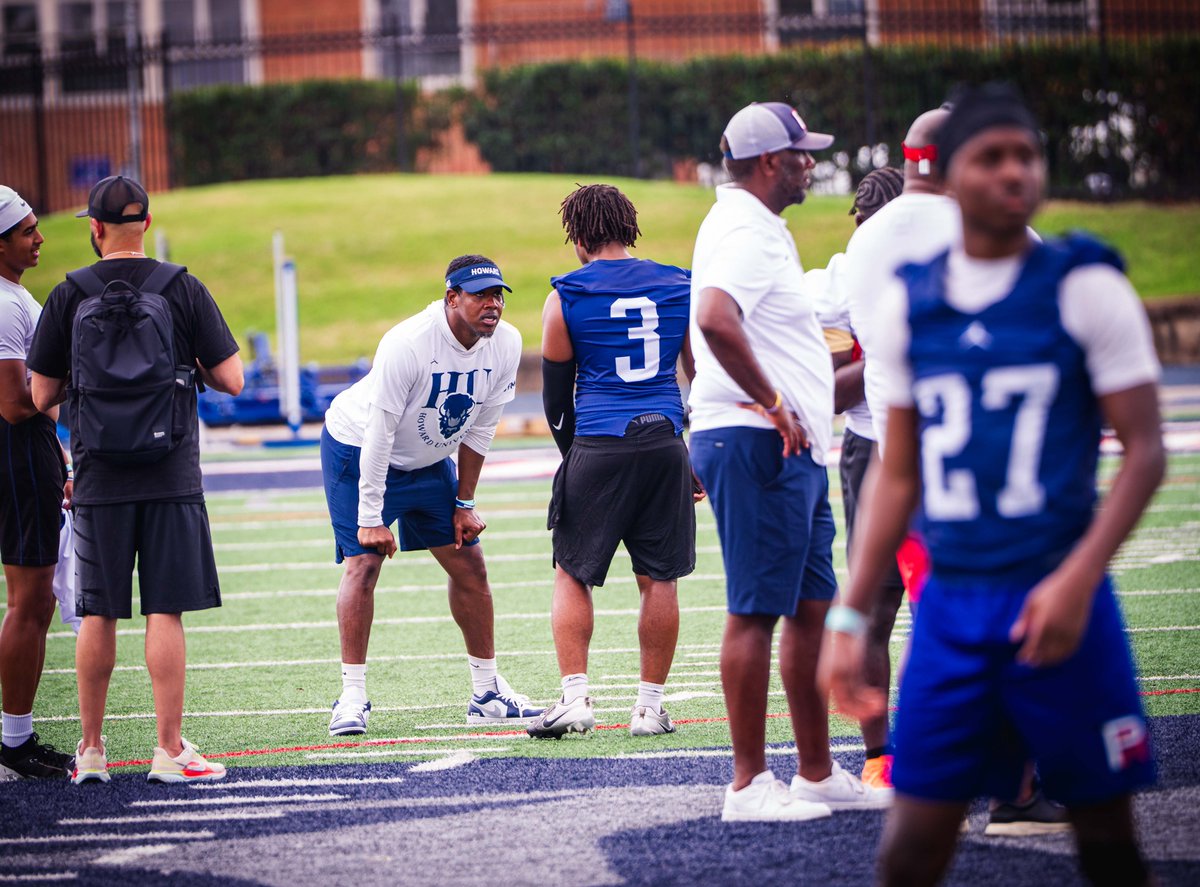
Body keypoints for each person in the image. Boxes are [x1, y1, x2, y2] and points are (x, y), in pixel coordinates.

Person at [819, 84, 1163, 886]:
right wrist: (848, 613)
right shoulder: (911, 304)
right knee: (910, 848)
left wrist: (1079, 577)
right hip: (955, 605)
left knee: (1110, 841)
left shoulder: (1085, 285)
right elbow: (895, 473)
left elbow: (1145, 452)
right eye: (991, 156)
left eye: (1026, 156)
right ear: (946, 174)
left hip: (1059, 595)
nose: (1013, 173)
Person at [844, 106, 1066, 832]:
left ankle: (886, 762)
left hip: (885, 449)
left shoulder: (866, 238)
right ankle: (1011, 786)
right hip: (977, 457)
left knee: (881, 608)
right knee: (995, 613)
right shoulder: (986, 226)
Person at [687, 101, 891, 822]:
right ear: (771, 161)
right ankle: (747, 784)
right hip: (759, 439)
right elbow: (712, 317)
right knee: (755, 610)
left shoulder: (746, 224)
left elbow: (700, 331)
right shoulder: (745, 227)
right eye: (803, 153)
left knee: (809, 606)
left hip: (775, 439)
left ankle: (813, 771)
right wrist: (770, 400)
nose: (813, 163)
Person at [28, 174, 244, 785]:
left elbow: (42, 393)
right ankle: (169, 750)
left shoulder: (68, 294)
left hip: (98, 477)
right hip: (171, 469)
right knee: (164, 611)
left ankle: (91, 750)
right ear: (146, 223)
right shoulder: (182, 287)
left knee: (96, 613)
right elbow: (233, 380)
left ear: (95, 230)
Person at [321, 254, 542, 736]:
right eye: (480, 295)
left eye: (498, 295)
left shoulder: (505, 343)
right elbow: (379, 433)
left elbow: (481, 429)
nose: (492, 305)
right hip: (358, 447)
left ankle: (486, 692)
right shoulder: (408, 343)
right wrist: (371, 514)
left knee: (470, 563)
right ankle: (352, 695)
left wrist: (464, 503)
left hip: (426, 458)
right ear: (451, 298)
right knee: (363, 564)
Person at [526, 183, 697, 740]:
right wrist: (688, 444)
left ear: (577, 237)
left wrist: (573, 459)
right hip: (665, 440)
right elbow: (698, 374)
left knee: (573, 572)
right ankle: (649, 707)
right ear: (630, 228)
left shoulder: (566, 296)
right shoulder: (679, 284)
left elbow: (555, 401)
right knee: (660, 577)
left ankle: (575, 696)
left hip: (599, 441)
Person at [807, 166, 905, 790]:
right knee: (875, 602)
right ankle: (880, 755)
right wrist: (866, 365)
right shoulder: (844, 277)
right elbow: (827, 387)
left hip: (942, 444)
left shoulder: (961, 252)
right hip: (876, 445)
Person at [0, 186, 74, 779]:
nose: (40, 237)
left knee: (32, 600)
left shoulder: (15, 296)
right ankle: (14, 740)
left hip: (29, 451)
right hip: (17, 452)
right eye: (27, 230)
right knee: (30, 602)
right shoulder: (5, 303)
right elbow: (14, 404)